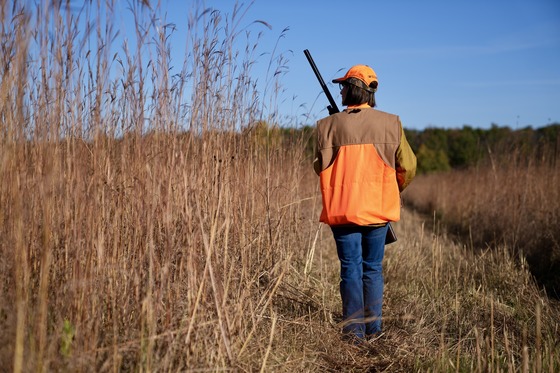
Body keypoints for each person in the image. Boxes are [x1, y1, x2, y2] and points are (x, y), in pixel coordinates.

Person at [313, 64, 417, 341]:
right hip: (378, 210)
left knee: (350, 269)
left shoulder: (326, 127)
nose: (342, 90)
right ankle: (374, 331)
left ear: (352, 89)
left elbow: (318, 166)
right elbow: (408, 166)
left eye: (343, 86)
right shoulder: (391, 122)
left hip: (343, 210)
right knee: (372, 269)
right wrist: (393, 189)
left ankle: (354, 334)